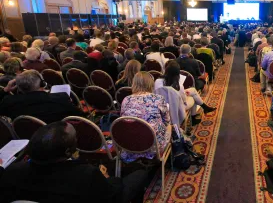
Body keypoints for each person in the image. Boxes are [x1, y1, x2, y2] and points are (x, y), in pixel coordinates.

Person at [0, 121, 148, 203]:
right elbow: (113, 194)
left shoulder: (11, 172)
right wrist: (108, 178)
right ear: (67, 152)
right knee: (141, 173)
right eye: (75, 138)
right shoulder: (86, 175)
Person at [120, 72, 171, 162]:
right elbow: (167, 121)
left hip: (130, 144)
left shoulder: (126, 99)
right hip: (153, 147)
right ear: (150, 83)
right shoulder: (158, 99)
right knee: (170, 126)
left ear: (134, 83)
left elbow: (123, 120)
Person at [0, 70, 83, 123]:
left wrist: (5, 90)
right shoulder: (61, 98)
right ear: (42, 84)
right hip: (58, 139)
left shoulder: (9, 102)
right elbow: (80, 117)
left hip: (26, 140)